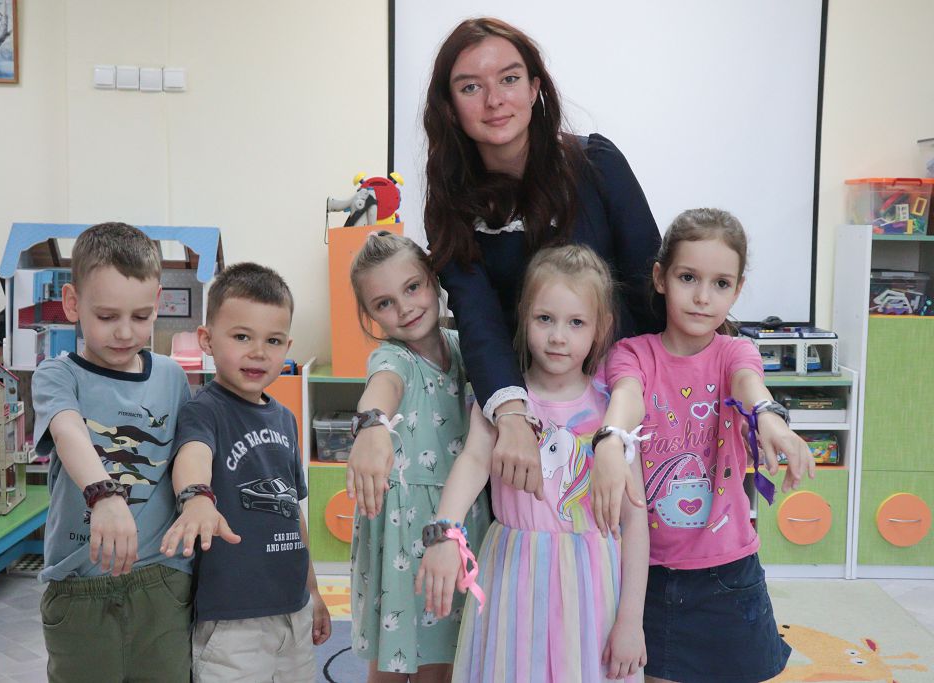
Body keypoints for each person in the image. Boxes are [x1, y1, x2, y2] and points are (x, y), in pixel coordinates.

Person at [422, 17, 663, 505]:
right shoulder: (451, 205)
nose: (494, 100)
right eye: (471, 87)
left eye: (509, 79)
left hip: (628, 403)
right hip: (532, 415)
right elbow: (479, 320)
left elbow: (650, 284)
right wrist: (512, 414)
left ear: (534, 88)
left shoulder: (595, 163)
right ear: (449, 107)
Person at [596, 208, 815, 683]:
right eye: (688, 277)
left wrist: (769, 416)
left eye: (721, 284)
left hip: (729, 572)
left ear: (737, 290)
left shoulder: (736, 352)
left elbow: (749, 384)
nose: (702, 297)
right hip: (649, 575)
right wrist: (611, 437)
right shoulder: (632, 353)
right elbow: (627, 396)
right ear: (660, 278)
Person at [416, 245, 649, 682]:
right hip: (514, 576)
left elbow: (635, 520)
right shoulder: (503, 400)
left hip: (593, 586)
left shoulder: (611, 410)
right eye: (545, 319)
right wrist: (444, 532)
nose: (558, 336)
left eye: (576, 322)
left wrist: (631, 621)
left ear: (601, 328)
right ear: (524, 317)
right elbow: (473, 461)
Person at [32, 222, 193, 682]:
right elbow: (68, 431)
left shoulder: (171, 377)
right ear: (72, 304)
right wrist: (103, 494)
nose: (125, 332)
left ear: (157, 302)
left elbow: (187, 454)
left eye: (141, 316)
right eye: (106, 317)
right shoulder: (58, 374)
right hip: (80, 587)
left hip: (161, 581)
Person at [160, 262, 331, 682]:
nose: (258, 352)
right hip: (232, 619)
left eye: (273, 340)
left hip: (292, 609)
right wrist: (196, 497)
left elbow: (292, 512)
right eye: (242, 337)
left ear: (287, 345)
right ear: (207, 340)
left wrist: (312, 590)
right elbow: (193, 454)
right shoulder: (205, 410)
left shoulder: (286, 419)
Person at [344, 231, 492, 681]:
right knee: (393, 660)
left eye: (412, 288)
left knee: (444, 656)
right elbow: (382, 387)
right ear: (369, 314)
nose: (405, 308)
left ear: (433, 279)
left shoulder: (466, 347)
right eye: (384, 303)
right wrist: (372, 425)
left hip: (459, 518)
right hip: (403, 531)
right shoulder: (393, 358)